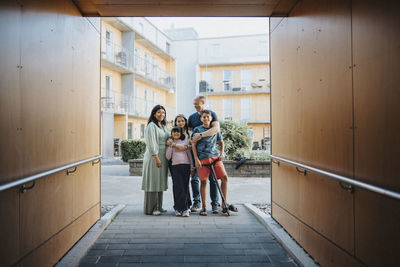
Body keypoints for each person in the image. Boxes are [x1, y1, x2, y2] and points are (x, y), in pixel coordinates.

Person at [192, 110, 238, 216]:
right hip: (202, 159)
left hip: (215, 158)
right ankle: (204, 207)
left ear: (211, 119)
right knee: (204, 182)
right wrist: (196, 159)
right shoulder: (197, 129)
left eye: (208, 117)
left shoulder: (215, 129)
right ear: (201, 119)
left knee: (224, 178)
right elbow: (194, 144)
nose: (206, 118)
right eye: (204, 117)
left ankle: (223, 203)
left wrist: (222, 154)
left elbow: (222, 142)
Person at [188, 95, 220, 213]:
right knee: (195, 178)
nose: (195, 106)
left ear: (203, 102)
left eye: (196, 103)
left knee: (213, 179)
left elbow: (216, 129)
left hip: (210, 154)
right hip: (196, 153)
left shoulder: (212, 114)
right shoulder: (191, 117)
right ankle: (197, 202)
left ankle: (215, 203)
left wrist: (201, 135)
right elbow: (190, 134)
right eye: (194, 104)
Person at [141, 105, 169, 216]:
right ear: (154, 114)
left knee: (160, 181)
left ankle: (159, 206)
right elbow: (151, 143)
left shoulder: (163, 125)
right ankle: (151, 208)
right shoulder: (151, 126)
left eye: (163, 112)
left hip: (163, 156)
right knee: (153, 181)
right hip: (154, 156)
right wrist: (156, 157)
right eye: (159, 112)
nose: (161, 114)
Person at [166, 126, 195, 217]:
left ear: (181, 133)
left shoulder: (185, 142)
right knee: (177, 188)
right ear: (171, 134)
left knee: (185, 187)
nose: (176, 133)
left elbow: (189, 156)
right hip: (175, 167)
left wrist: (192, 167)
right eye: (174, 132)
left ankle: (185, 209)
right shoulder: (171, 144)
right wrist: (171, 146)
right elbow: (167, 157)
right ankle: (178, 208)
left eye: (178, 132)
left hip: (185, 167)